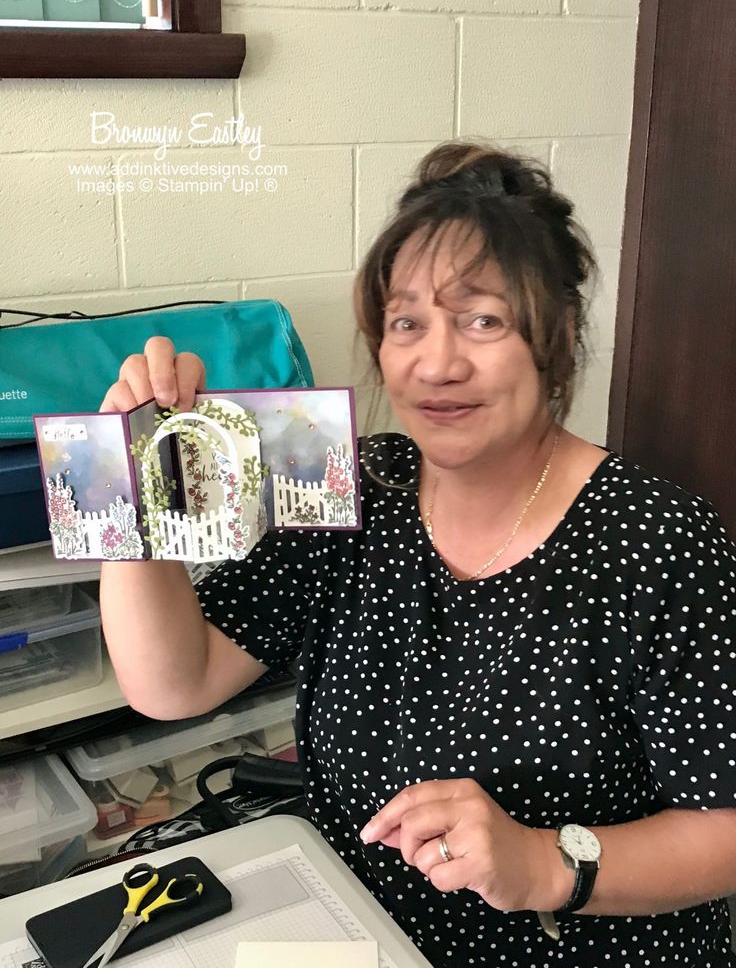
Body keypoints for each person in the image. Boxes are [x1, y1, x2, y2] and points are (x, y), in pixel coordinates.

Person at [99, 141, 736, 968]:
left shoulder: (659, 541)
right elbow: (174, 682)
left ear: (560, 335)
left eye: (483, 320)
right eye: (407, 322)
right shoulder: (357, 490)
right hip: (364, 936)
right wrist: (136, 469)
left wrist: (546, 861)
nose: (436, 363)